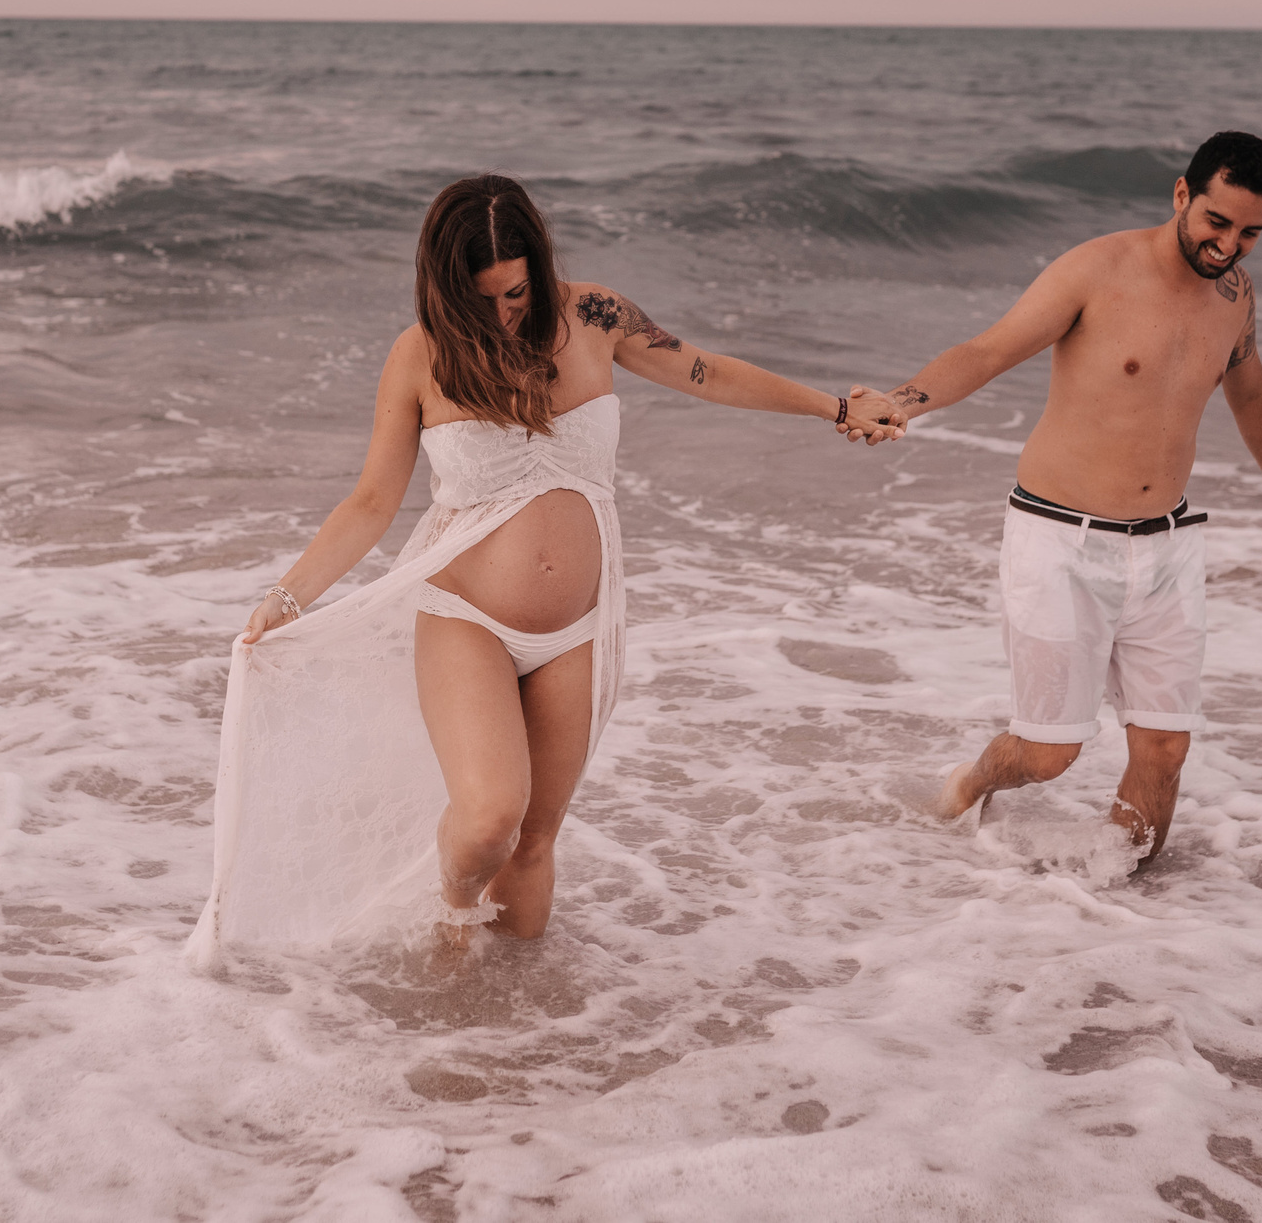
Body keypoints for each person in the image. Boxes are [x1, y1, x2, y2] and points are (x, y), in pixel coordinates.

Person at [187, 175, 903, 966]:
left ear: (538, 263)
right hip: (466, 617)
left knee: (533, 841)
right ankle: (453, 925)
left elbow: (710, 372)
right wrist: (287, 595)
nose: (502, 312)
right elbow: (370, 500)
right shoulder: (421, 354)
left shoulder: (593, 316)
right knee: (492, 814)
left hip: (581, 628)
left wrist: (835, 407)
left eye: (516, 290)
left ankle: (525, 1030)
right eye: (481, 297)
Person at [860, 130, 1262, 862]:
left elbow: (1249, 388)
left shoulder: (1236, 295)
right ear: (1182, 195)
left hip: (1167, 545)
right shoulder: (1096, 270)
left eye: (1252, 232)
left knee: (1164, 747)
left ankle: (1121, 904)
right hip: (1060, 537)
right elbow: (988, 350)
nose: (1230, 245)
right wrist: (904, 399)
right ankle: (966, 786)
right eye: (1217, 222)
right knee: (1046, 753)